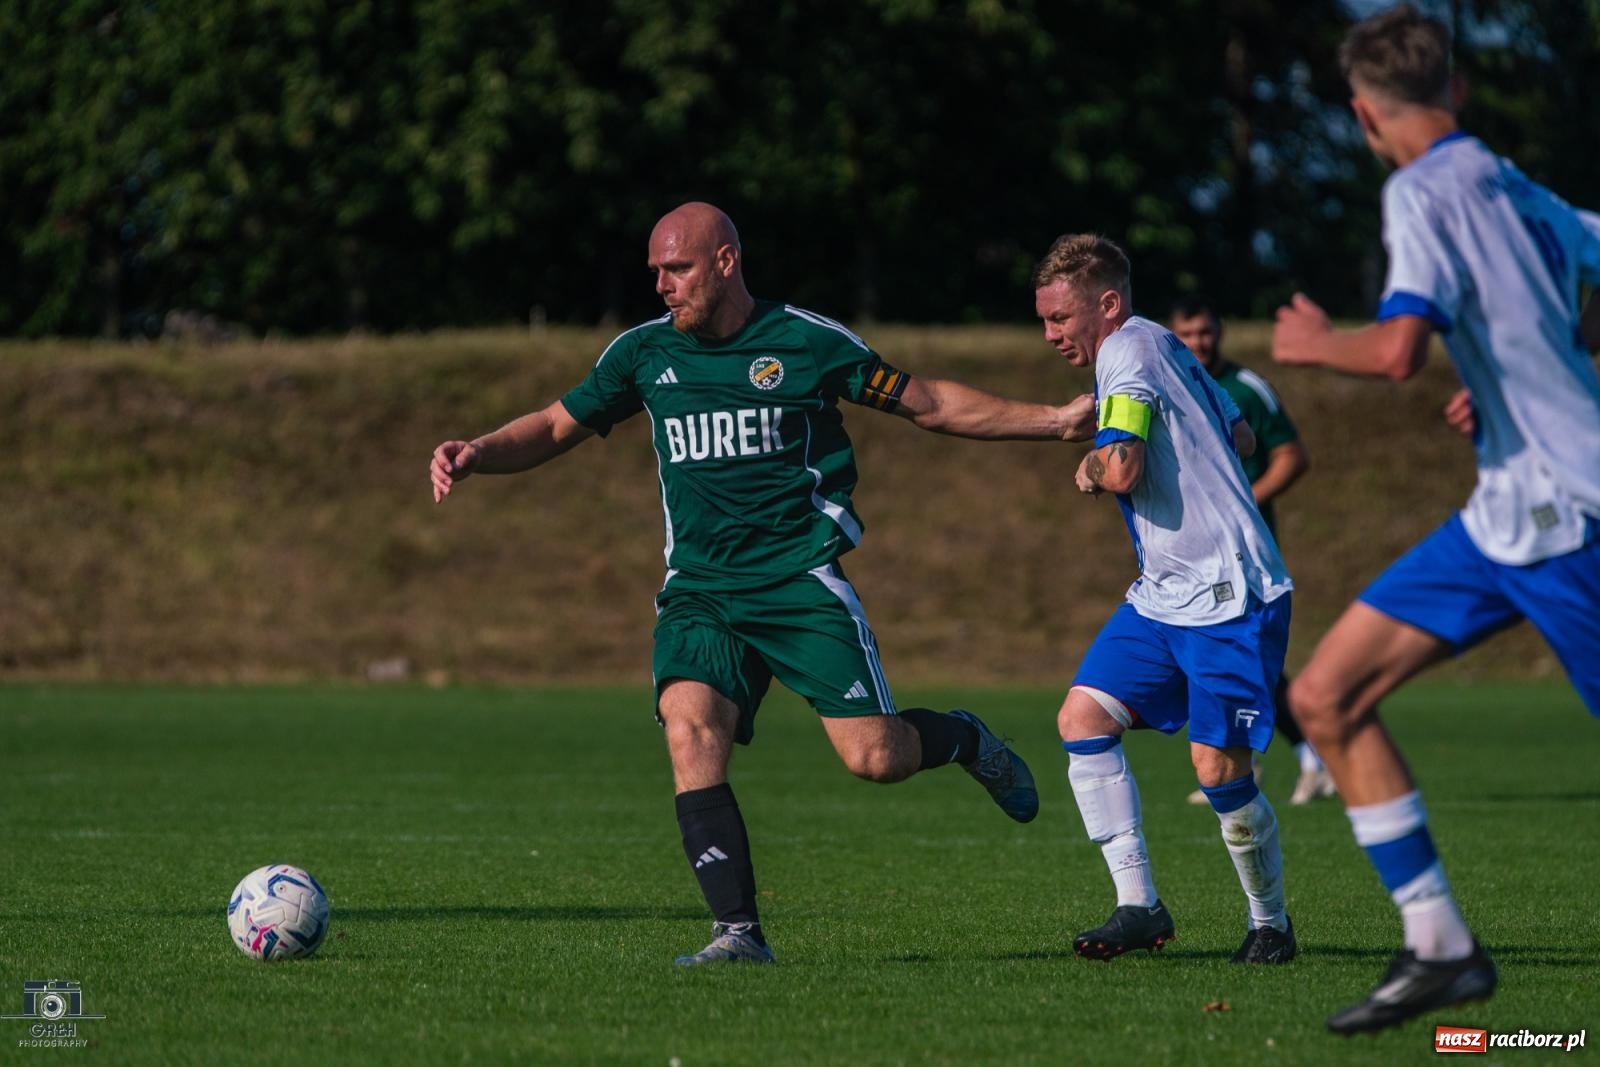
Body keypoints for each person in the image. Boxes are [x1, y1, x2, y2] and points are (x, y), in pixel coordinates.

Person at [430, 202, 1097, 966]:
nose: (662, 285)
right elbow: (555, 424)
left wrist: (1056, 421)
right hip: (701, 592)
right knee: (689, 730)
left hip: (796, 582)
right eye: (655, 271)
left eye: (677, 268)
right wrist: (478, 451)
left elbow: (932, 404)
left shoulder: (805, 342)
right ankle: (739, 932)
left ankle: (967, 738)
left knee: (876, 758)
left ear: (726, 261)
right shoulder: (643, 354)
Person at [1271, 5, 1600, 1034]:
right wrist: (1516, 380)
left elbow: (1400, 350)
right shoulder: (1526, 189)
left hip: (1573, 517)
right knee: (1324, 697)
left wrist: (1314, 344)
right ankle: (1440, 946)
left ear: (1364, 115)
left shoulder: (1418, 191)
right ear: (1455, 89)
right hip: (1503, 515)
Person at [1035, 234, 1298, 965]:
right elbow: (1242, 435)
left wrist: (1092, 464)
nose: (1051, 334)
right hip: (1164, 593)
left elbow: (1120, 469)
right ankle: (1139, 906)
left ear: (1106, 304)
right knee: (1083, 717)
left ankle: (1271, 923)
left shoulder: (1125, 353)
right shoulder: (1163, 343)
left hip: (1229, 594)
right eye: (1045, 320)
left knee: (1219, 773)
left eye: (1060, 318)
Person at [1169, 297, 1333, 806]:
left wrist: (1242, 502)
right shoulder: (1170, 386)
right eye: (1187, 334)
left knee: (1249, 657)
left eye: (1205, 331)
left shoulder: (1246, 388)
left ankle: (1311, 758)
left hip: (1245, 552)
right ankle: (1243, 765)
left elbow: (1292, 456)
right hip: (1194, 550)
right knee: (1212, 654)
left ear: (1220, 331)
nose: (1198, 342)